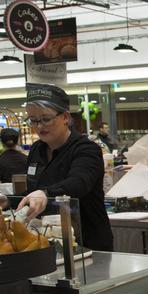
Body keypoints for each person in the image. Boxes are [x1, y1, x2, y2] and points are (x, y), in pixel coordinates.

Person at [17, 83, 113, 251]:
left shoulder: (86, 149)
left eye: (46, 119)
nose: (39, 126)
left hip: (88, 245)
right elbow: (35, 191)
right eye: (33, 120)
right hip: (48, 241)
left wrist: (45, 193)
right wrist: (10, 200)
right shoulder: (37, 149)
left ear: (66, 117)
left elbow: (78, 183)